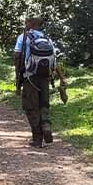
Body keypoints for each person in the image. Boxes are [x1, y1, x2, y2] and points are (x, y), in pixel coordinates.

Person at [14, 16, 67, 148]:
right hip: (45, 77)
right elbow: (53, 62)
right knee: (44, 104)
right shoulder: (47, 39)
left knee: (31, 107)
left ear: (30, 24)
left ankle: (37, 139)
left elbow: (16, 56)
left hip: (29, 78)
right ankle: (46, 125)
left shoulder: (23, 37)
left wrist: (18, 77)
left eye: (27, 23)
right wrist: (61, 78)